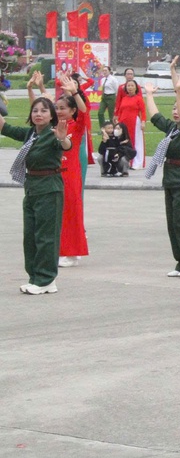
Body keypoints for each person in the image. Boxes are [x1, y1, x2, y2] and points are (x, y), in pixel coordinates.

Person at [1, 91, 70, 293]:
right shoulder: (31, 134)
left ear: (51, 115)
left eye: (44, 111)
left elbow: (65, 145)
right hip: (31, 188)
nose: (39, 114)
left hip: (49, 189)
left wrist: (63, 139)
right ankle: (35, 277)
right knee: (30, 236)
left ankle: (47, 279)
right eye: (35, 111)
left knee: (46, 236)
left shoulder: (53, 134)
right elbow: (5, 127)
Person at [144, 69, 180, 280]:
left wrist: (179, 91)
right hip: (170, 179)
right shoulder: (173, 129)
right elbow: (155, 117)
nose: (176, 111)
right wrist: (149, 94)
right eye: (174, 108)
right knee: (173, 224)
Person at [53, 74, 91, 268]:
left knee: (71, 212)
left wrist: (75, 92)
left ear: (72, 110)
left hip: (71, 173)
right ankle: (63, 250)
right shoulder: (54, 127)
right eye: (57, 108)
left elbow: (84, 111)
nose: (59, 111)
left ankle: (73, 252)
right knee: (58, 213)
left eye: (63, 108)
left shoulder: (76, 125)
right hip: (55, 173)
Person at [114, 78, 146, 169]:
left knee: (136, 142)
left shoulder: (139, 99)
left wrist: (143, 122)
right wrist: (118, 122)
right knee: (123, 142)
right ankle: (124, 162)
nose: (130, 87)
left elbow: (143, 111)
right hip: (123, 123)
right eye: (128, 86)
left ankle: (137, 163)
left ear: (136, 88)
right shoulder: (124, 99)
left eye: (132, 86)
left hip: (134, 123)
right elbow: (120, 111)